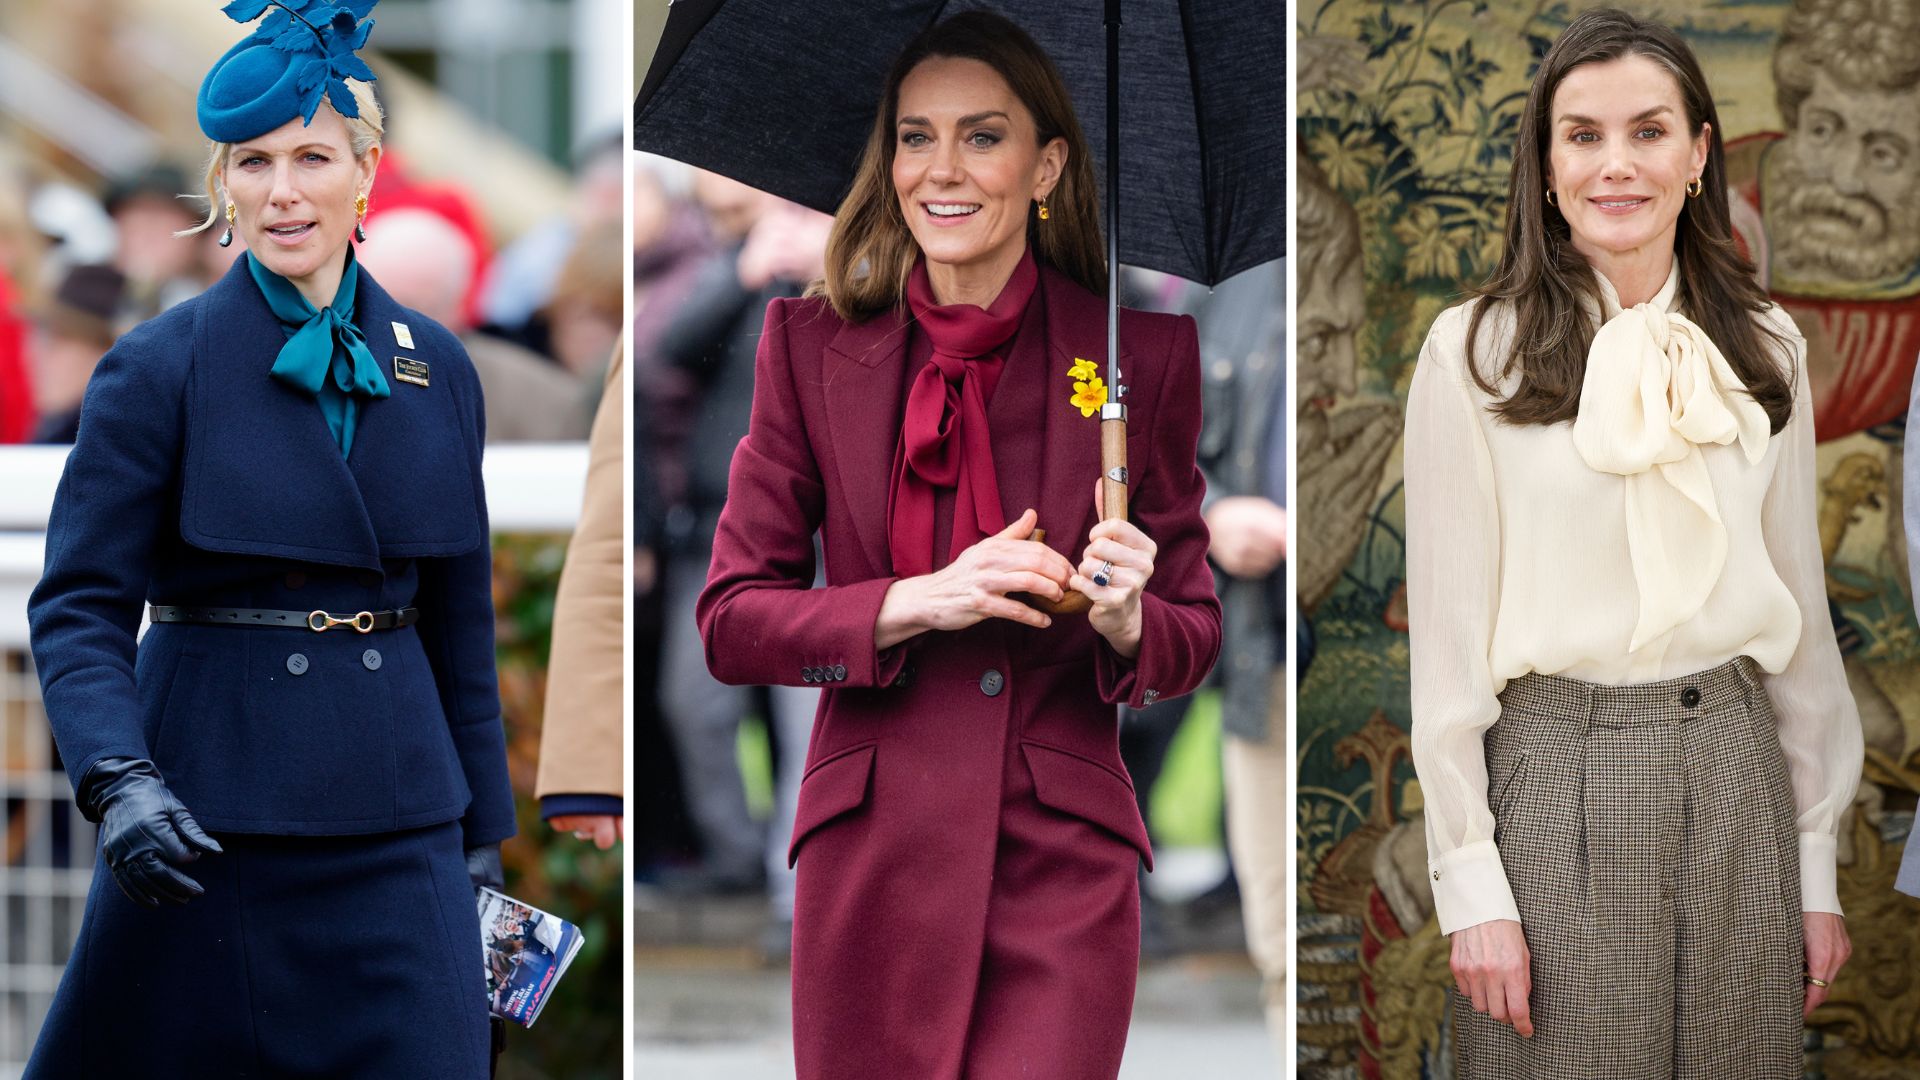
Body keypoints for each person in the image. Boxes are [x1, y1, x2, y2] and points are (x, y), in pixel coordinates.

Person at [697, 13, 1221, 1078]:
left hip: (1062, 868)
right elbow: (731, 619)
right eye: (914, 136)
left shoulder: (1139, 358)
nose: (943, 169)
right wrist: (917, 599)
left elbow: (1193, 633)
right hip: (869, 860)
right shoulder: (809, 348)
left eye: (983, 137)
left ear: (1047, 166)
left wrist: (1128, 618)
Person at [23, 4, 513, 1075]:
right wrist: (119, 779)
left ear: (366, 169)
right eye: (254, 162)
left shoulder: (440, 366)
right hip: (202, 821)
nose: (283, 188)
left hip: (402, 818)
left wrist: (483, 828)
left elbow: (460, 616)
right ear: (225, 187)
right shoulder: (157, 365)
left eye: (311, 155)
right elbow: (77, 606)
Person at [1403, 9, 1863, 1076]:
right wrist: (1473, 888)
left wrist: (1815, 868)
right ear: (1547, 163)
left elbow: (1802, 630)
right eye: (1584, 135)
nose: (1618, 164)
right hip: (1554, 770)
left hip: (1739, 770)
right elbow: (1449, 649)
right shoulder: (1473, 352)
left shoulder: (1770, 346)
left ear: (1700, 154)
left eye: (1649, 132)